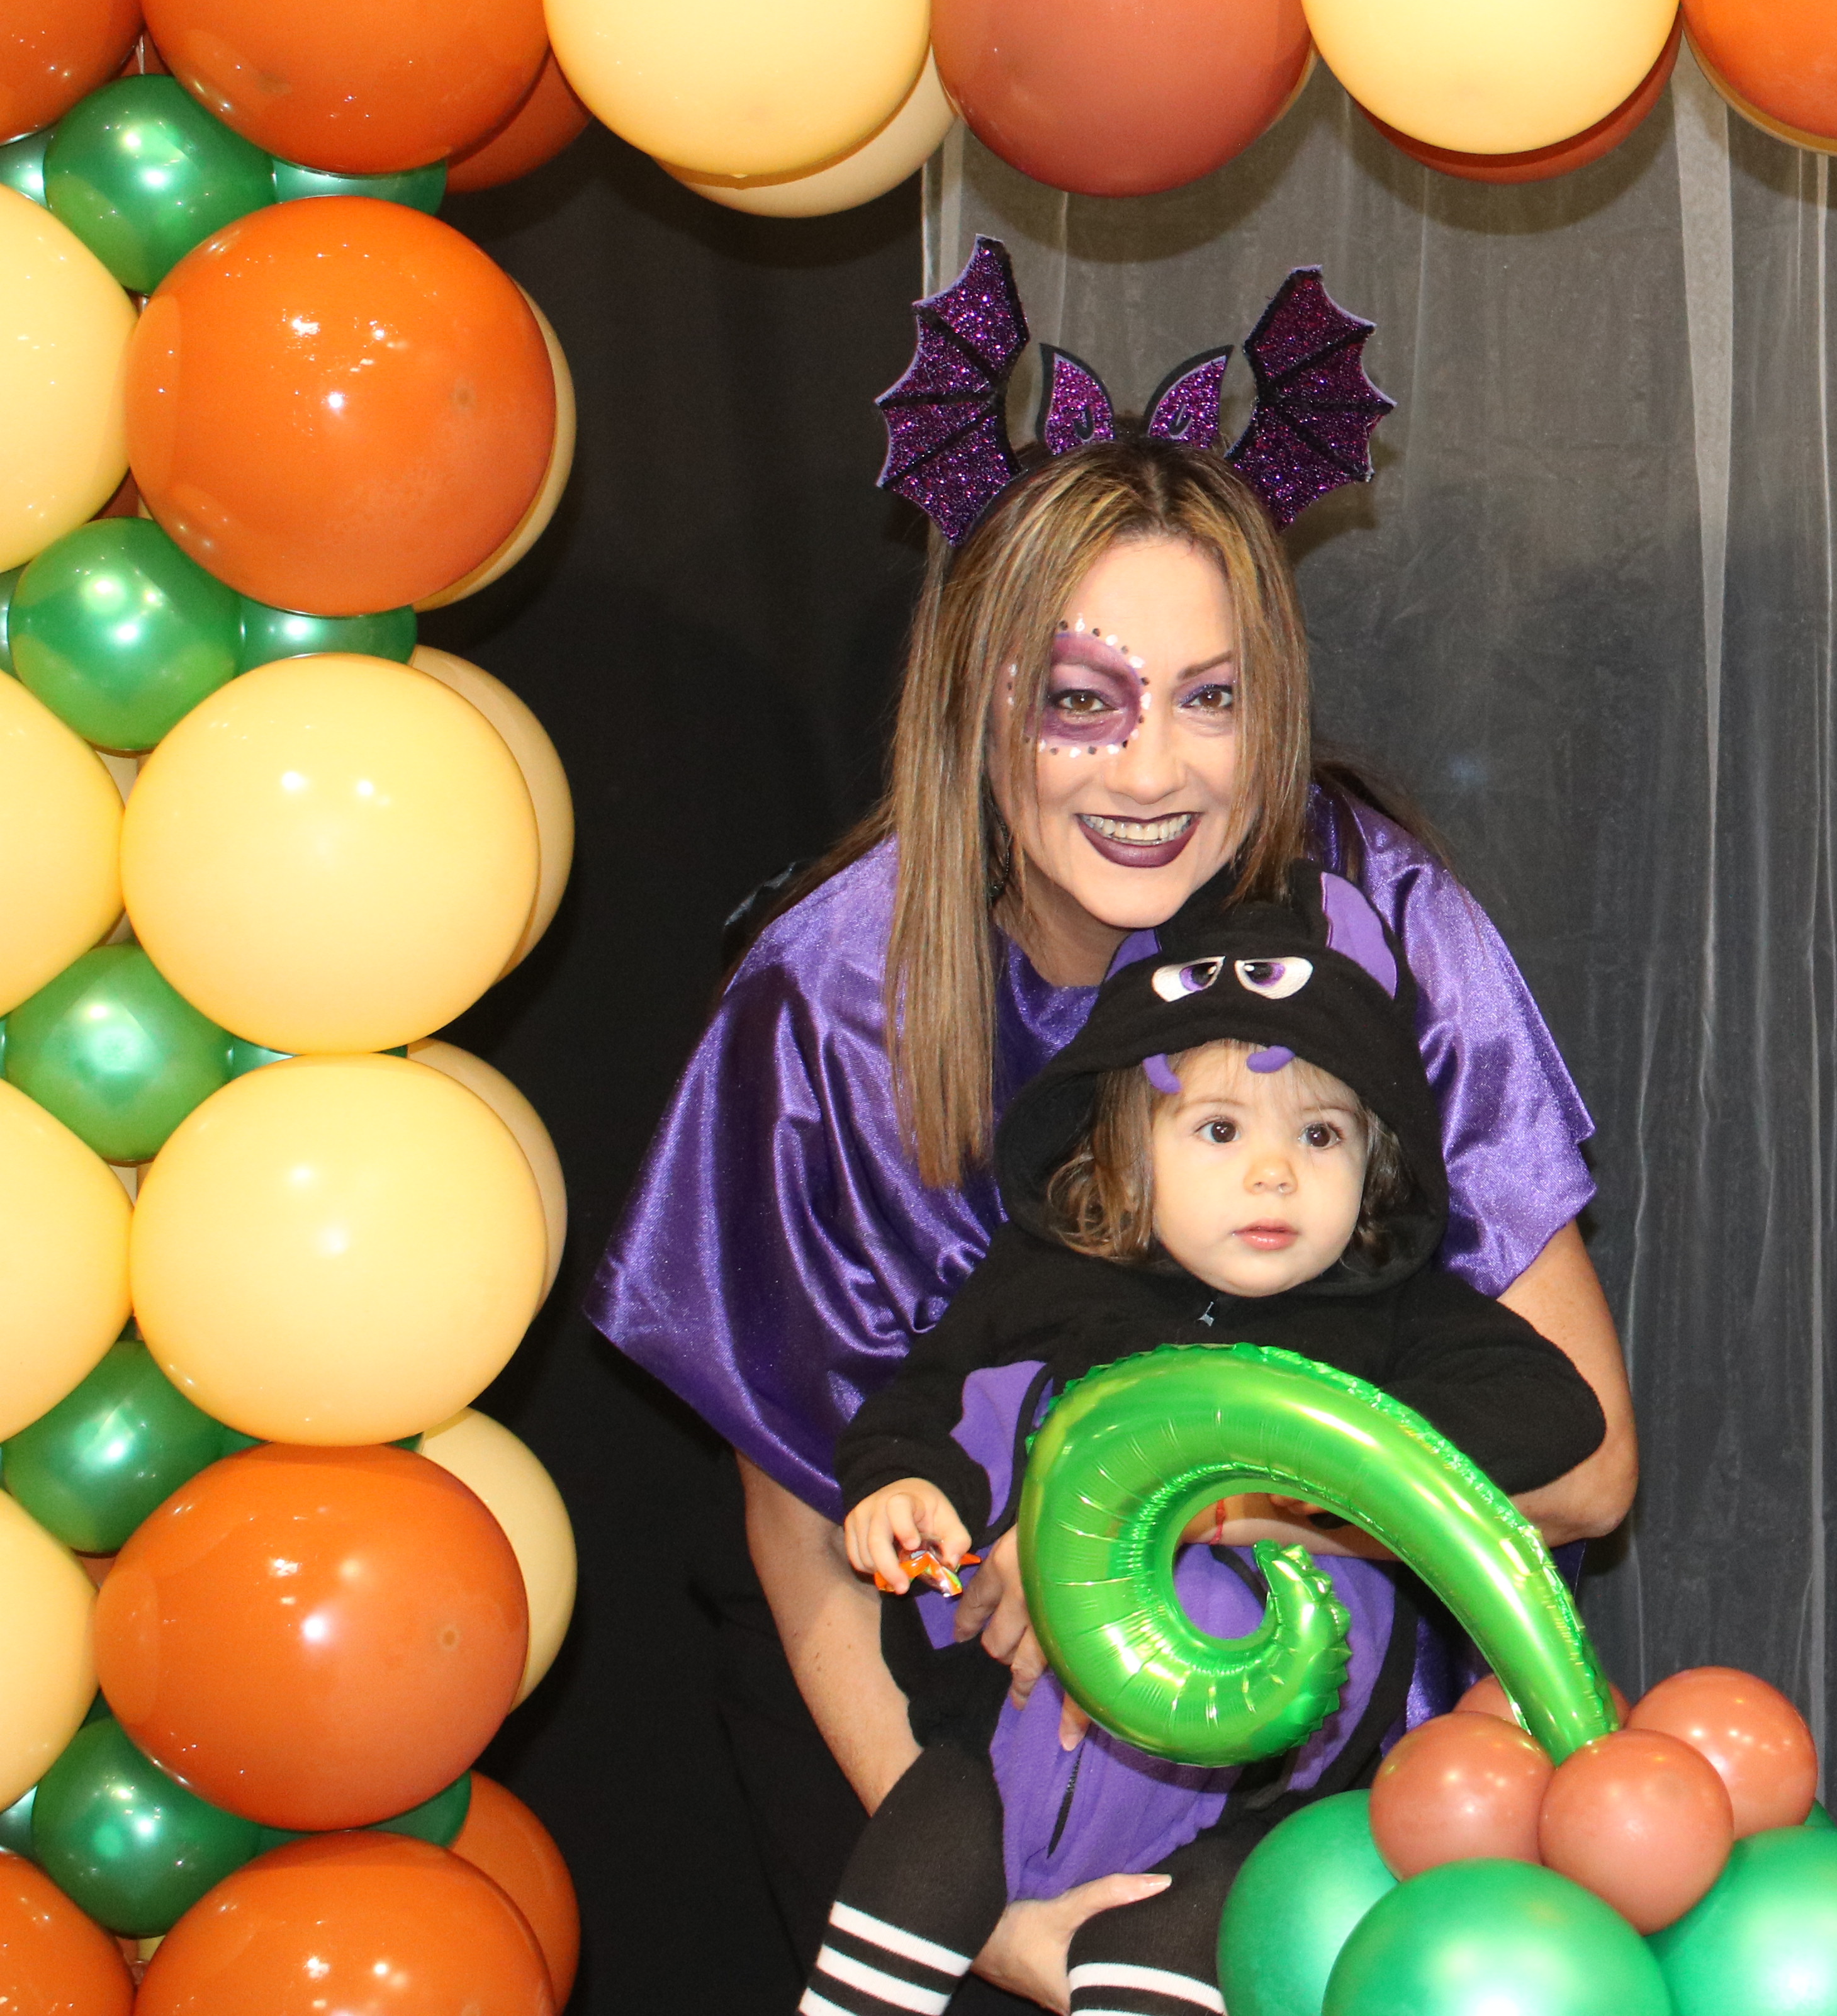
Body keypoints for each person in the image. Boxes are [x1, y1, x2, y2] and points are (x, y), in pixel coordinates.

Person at [595, 422, 1638, 2008]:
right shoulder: (827, 995)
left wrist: (1164, 1514)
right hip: (919, 1731)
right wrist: (979, 1911)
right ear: (977, 703)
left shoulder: (1376, 927)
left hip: (1312, 1731)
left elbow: (1588, 1475)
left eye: (1212, 697)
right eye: (1083, 700)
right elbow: (802, 1538)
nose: (1153, 770)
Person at [804, 865, 1603, 2016]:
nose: (1274, 1173)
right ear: (1128, 1154)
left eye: (1321, 1136)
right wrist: (900, 1486)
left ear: (1375, 1167)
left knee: (1194, 1935)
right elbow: (912, 1403)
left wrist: (1256, 1477)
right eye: (1220, 1129)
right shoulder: (1051, 1281)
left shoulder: (1388, 1312)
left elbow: (1554, 1412)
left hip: (1252, 1789)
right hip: (1002, 1737)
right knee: (922, 1856)